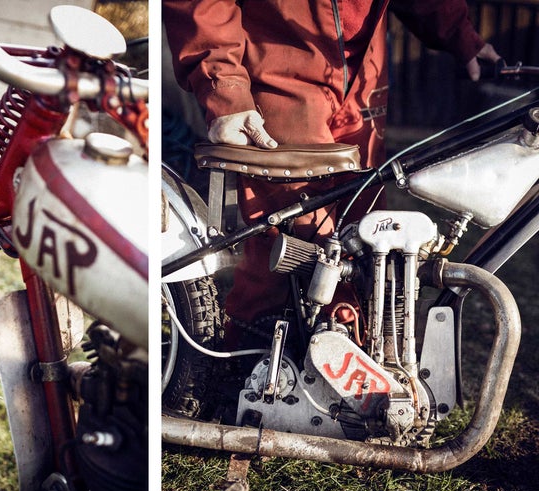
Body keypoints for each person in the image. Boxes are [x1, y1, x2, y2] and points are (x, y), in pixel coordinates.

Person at [163, 1, 501, 346]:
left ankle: (350, 357)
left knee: (368, 238)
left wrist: (461, 34)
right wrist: (224, 87)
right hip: (278, 64)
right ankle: (251, 368)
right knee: (291, 250)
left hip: (363, 76)